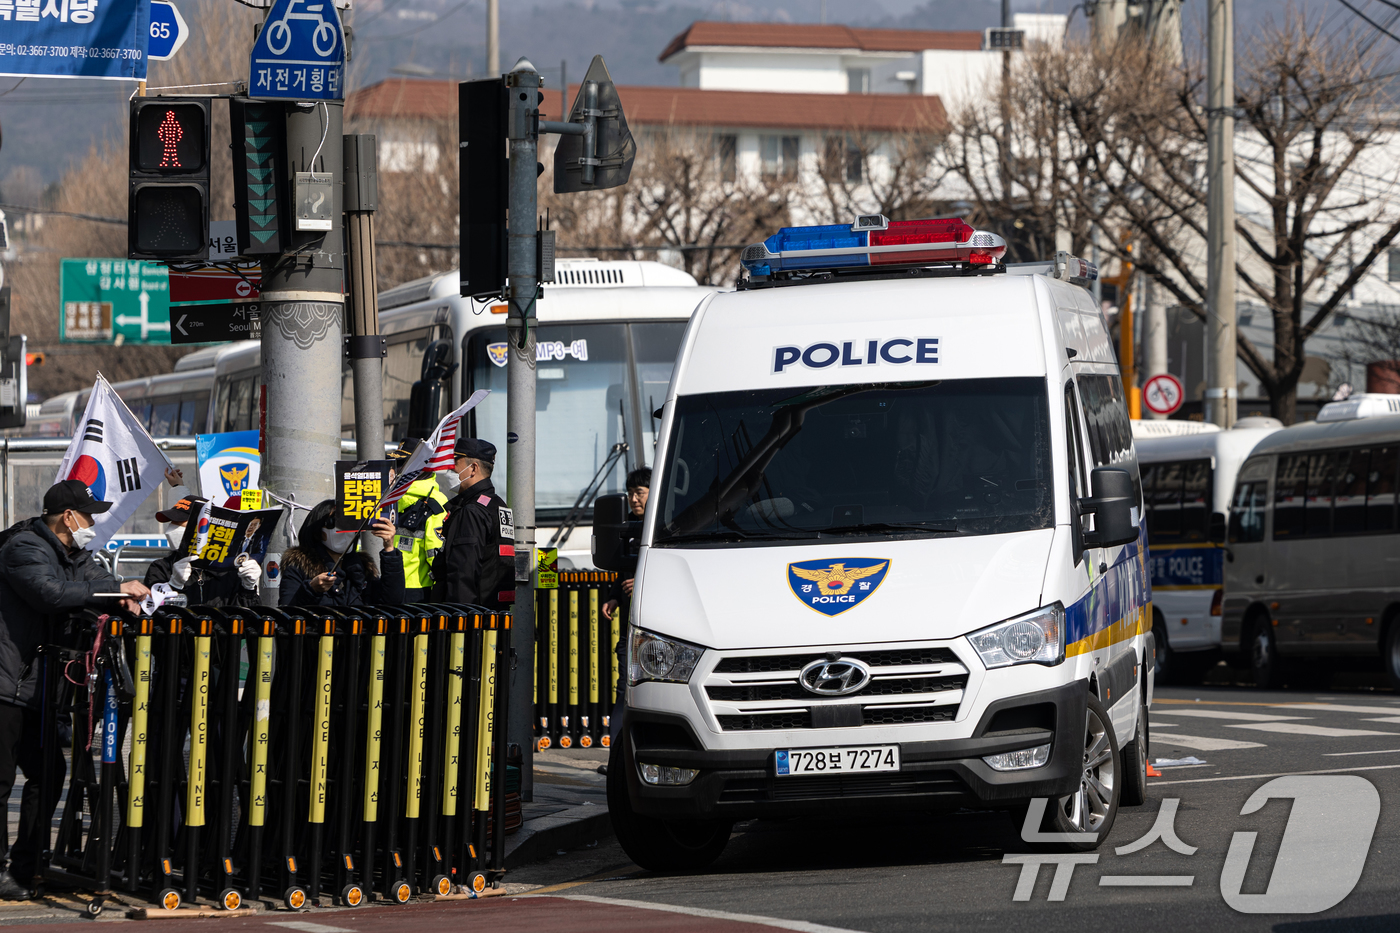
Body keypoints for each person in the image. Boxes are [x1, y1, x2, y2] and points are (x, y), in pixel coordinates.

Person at [0, 480, 149, 898]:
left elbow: (96, 578)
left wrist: (120, 597)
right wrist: (112, 590)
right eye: (89, 515)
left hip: (40, 686)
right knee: (0, 780)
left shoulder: (72, 553)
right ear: (68, 517)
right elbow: (48, 593)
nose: (93, 523)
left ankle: (27, 865)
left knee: (49, 772)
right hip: (6, 680)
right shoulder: (23, 547)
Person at [431, 438, 514, 609]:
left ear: (474, 468)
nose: (451, 468)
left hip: (472, 618)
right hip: (494, 612)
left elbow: (463, 573)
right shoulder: (498, 504)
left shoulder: (471, 511)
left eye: (455, 461)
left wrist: (460, 622)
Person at [279, 499, 404, 607]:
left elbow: (391, 601)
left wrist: (389, 549)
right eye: (335, 523)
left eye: (350, 523)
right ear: (317, 531)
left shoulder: (362, 568)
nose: (344, 529)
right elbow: (287, 611)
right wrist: (311, 589)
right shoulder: (299, 566)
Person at [145, 496, 261, 607]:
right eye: (172, 523)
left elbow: (247, 621)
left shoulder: (230, 571)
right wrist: (173, 586)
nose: (172, 528)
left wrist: (248, 589)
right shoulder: (161, 568)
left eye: (180, 523)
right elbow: (151, 614)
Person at [387, 438, 449, 602]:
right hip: (388, 586)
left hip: (418, 594)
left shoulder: (435, 506)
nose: (397, 469)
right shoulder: (393, 500)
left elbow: (438, 562)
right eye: (396, 463)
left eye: (402, 463)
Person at [601, 467, 650, 623]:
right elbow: (624, 570)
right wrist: (615, 598)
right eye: (630, 494)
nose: (634, 499)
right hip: (629, 614)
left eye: (639, 493)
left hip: (652, 613)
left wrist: (644, 582)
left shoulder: (667, 528)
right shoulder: (625, 526)